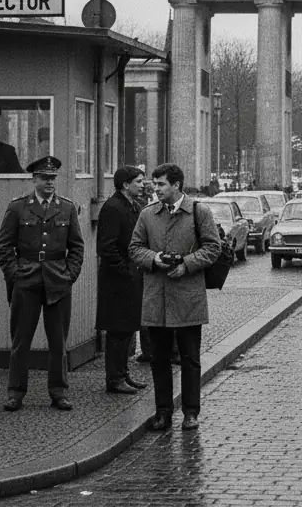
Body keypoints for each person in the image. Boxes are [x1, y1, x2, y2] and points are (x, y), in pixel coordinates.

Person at [129, 162, 221, 432]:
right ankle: (163, 413)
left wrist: (187, 265)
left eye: (161, 184)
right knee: (159, 360)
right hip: (157, 297)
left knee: (190, 358)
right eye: (154, 184)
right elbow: (134, 248)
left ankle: (191, 413)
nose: (155, 189)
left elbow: (212, 248)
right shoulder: (147, 215)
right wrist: (154, 258)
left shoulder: (197, 212)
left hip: (188, 297)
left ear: (176, 185)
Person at [0, 156, 84, 412]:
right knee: (21, 341)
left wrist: (69, 275)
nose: (49, 183)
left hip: (58, 281)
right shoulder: (18, 208)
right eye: (44, 178)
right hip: (27, 279)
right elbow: (4, 247)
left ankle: (59, 392)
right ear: (33, 179)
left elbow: (77, 247)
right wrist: (15, 274)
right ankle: (15, 392)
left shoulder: (66, 208)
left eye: (53, 178)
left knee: (58, 342)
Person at [97, 166, 148, 395]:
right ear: (125, 184)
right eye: (138, 181)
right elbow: (106, 247)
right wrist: (126, 271)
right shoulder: (113, 207)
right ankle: (115, 378)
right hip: (117, 281)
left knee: (127, 329)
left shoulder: (133, 206)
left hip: (131, 277)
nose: (142, 184)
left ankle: (123, 373)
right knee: (118, 331)